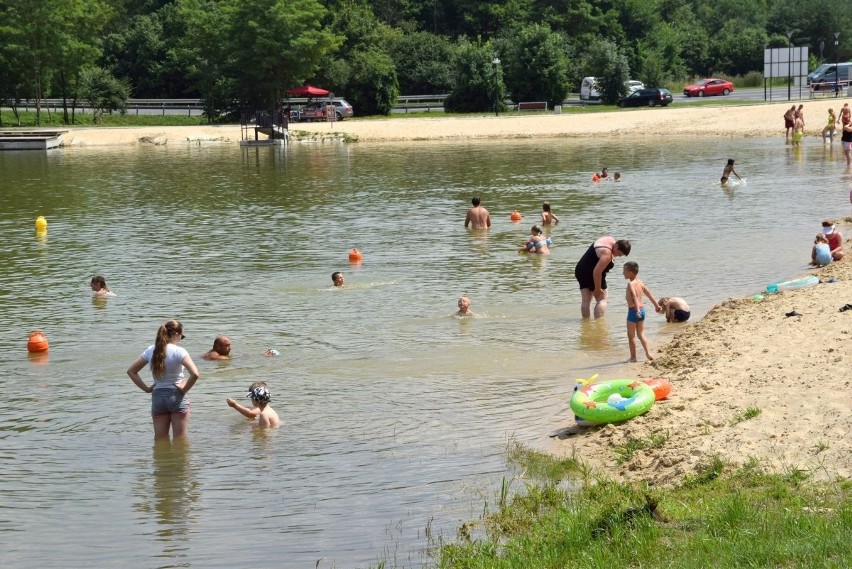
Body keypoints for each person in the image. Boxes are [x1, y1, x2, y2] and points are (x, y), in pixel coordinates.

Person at [127, 320, 200, 439]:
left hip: (158, 397)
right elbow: (195, 374)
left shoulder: (151, 350)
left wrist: (146, 389)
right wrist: (184, 389)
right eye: (182, 336)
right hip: (176, 396)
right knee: (180, 439)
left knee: (160, 439)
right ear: (176, 334)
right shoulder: (179, 351)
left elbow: (131, 371)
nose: (181, 339)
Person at [574, 236, 631, 319]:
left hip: (580, 270)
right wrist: (597, 289)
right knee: (602, 299)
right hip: (592, 272)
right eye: (618, 254)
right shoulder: (607, 254)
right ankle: (599, 326)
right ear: (616, 246)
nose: (617, 256)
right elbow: (597, 272)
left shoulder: (609, 239)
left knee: (586, 300)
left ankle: (586, 324)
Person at [622, 261, 661, 362]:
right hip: (642, 311)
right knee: (641, 334)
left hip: (633, 311)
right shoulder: (640, 282)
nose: (623, 273)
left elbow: (634, 296)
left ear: (630, 273)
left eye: (624, 271)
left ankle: (633, 357)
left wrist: (637, 310)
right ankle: (648, 353)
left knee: (631, 337)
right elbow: (649, 294)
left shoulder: (631, 284)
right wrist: (657, 306)